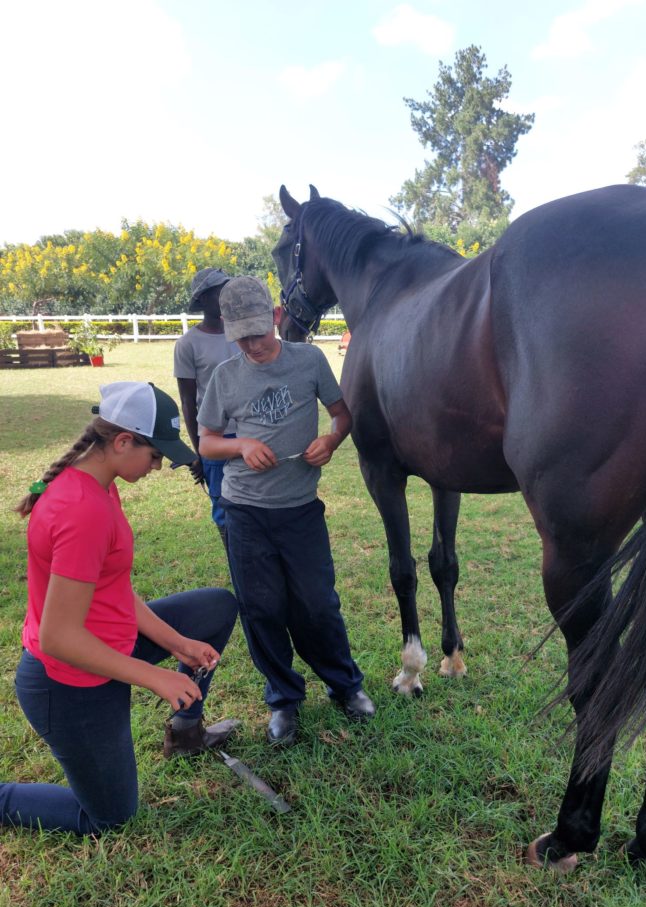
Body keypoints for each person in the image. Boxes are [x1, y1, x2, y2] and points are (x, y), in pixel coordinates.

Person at [0, 382, 240, 837]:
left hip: (109, 640)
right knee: (111, 815)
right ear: (123, 441)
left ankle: (186, 734)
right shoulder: (82, 509)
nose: (158, 466)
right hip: (70, 683)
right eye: (155, 455)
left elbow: (112, 589)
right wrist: (156, 676)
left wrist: (178, 644)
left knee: (214, 607)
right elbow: (59, 638)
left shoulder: (96, 483)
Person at [197, 276, 375, 747]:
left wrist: (332, 440)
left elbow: (342, 414)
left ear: (276, 317)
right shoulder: (225, 378)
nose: (252, 345)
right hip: (246, 512)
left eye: (258, 333)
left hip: (299, 510)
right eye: (241, 337)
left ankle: (345, 685)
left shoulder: (309, 361)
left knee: (317, 604)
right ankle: (283, 699)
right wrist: (241, 446)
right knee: (263, 608)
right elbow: (207, 442)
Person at [174, 267, 237, 545]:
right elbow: (188, 402)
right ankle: (235, 557)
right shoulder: (188, 344)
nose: (225, 296)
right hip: (215, 435)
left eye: (227, 288)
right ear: (201, 300)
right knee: (223, 507)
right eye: (218, 292)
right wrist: (198, 448)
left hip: (252, 429)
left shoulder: (242, 333)